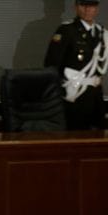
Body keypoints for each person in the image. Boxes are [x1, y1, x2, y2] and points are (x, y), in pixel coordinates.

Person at [44, 0, 108, 130]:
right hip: (74, 95)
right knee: (76, 136)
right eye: (83, 5)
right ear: (76, 7)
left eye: (91, 6)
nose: (87, 9)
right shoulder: (66, 30)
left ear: (97, 8)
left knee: (99, 138)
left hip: (95, 95)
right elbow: (52, 65)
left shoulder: (101, 33)